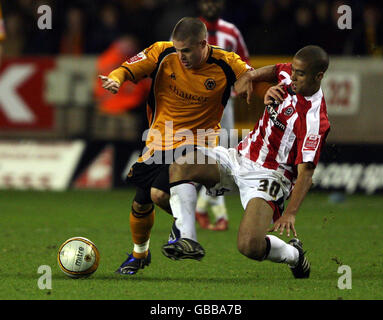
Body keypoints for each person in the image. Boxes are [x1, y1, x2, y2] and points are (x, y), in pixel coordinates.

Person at [98, 17, 252, 275]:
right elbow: (126, 68)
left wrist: (254, 82)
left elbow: (250, 74)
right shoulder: (161, 52)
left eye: (187, 51)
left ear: (203, 44)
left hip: (197, 143)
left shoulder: (226, 62)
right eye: (178, 50)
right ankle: (140, 254)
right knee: (141, 202)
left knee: (159, 194)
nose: (181, 56)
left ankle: (183, 230)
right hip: (159, 139)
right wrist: (116, 79)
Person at [162, 45, 330, 279]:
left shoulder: (314, 120)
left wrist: (290, 213)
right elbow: (277, 69)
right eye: (294, 70)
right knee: (182, 165)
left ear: (318, 76)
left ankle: (294, 254)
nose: (293, 76)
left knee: (249, 245)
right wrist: (251, 76)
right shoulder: (287, 76)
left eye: (300, 74)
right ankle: (187, 239)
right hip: (239, 157)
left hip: (270, 176)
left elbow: (306, 174)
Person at [195, 0, 250, 231]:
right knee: (207, 157)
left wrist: (238, 85)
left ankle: (202, 207)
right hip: (196, 104)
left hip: (225, 104)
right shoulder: (188, 29)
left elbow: (244, 63)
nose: (210, 5)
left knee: (222, 157)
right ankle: (217, 212)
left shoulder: (231, 31)